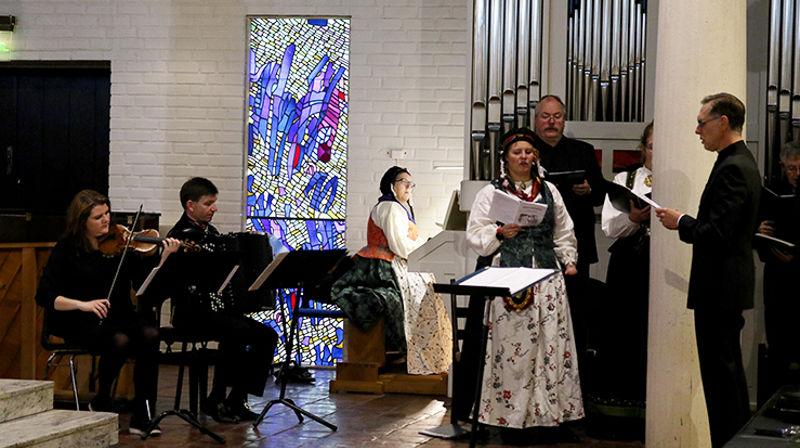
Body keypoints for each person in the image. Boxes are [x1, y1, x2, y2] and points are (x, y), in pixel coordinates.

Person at [453, 127, 584, 435]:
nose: (524, 157)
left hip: (546, 278)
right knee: (512, 348)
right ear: (506, 158)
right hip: (507, 277)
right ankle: (509, 417)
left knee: (547, 345)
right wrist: (499, 233)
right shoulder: (491, 193)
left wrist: (569, 260)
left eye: (528, 152)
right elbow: (476, 234)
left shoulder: (549, 191)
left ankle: (546, 415)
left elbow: (564, 230)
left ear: (535, 156)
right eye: (517, 152)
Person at [655, 93, 761, 448]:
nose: (697, 130)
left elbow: (715, 233)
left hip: (720, 289)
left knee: (723, 382)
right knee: (723, 379)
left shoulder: (734, 167)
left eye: (702, 123)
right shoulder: (736, 161)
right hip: (723, 288)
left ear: (723, 123)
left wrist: (680, 221)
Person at [36, 189, 181, 436]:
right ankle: (102, 399)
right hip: (78, 320)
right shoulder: (67, 249)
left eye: (107, 213)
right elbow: (45, 296)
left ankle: (141, 415)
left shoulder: (123, 246)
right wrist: (84, 304)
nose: (107, 220)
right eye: (98, 217)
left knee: (150, 334)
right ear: (82, 222)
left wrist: (163, 259)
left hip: (118, 317)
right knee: (120, 340)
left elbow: (144, 286)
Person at [166, 177, 279, 423]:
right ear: (190, 205)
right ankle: (215, 399)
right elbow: (177, 282)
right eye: (208, 203)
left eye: (214, 203)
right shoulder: (180, 237)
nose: (214, 208)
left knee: (267, 336)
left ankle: (236, 399)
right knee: (235, 330)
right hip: (190, 314)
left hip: (217, 313)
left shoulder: (213, 234)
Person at [331, 166, 452, 375]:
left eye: (410, 183)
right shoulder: (389, 207)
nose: (408, 187)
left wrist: (425, 250)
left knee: (429, 297)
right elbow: (398, 245)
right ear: (391, 185)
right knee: (415, 298)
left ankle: (425, 354)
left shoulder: (400, 208)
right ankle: (411, 353)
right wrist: (422, 251)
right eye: (403, 181)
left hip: (398, 261)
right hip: (381, 264)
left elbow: (410, 242)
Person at [532, 94, 605, 367]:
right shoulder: (526, 151)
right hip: (536, 244)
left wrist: (588, 190)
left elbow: (600, 194)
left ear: (564, 120)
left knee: (575, 311)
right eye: (545, 116)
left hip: (577, 244)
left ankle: (575, 373)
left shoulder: (583, 151)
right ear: (536, 120)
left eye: (557, 116)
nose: (551, 122)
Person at [591, 121, 653, 434]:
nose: (657, 153)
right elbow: (609, 227)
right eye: (653, 146)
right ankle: (616, 417)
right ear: (644, 147)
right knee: (622, 330)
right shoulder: (625, 178)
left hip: (661, 263)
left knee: (652, 333)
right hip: (629, 262)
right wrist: (633, 218)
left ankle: (656, 412)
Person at [756, 140, 800, 399]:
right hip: (777, 279)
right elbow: (754, 235)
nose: (796, 174)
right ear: (783, 166)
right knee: (778, 344)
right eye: (792, 168)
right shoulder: (773, 193)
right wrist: (760, 232)